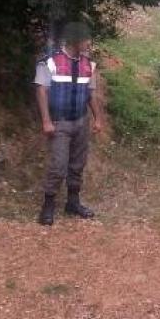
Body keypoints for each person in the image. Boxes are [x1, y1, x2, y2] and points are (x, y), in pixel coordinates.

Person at [34, 21, 104, 226]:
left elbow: (91, 94)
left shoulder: (88, 64)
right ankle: (48, 206)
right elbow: (41, 91)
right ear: (75, 41)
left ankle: (73, 203)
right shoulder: (50, 62)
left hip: (81, 121)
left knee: (77, 164)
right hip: (59, 122)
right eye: (86, 39)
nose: (89, 43)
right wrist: (46, 121)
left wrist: (98, 118)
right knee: (58, 165)